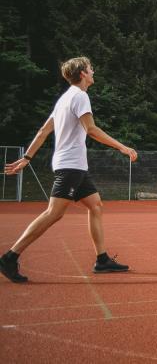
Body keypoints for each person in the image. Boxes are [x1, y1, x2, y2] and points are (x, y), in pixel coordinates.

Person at [0, 57, 138, 283]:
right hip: (70, 166)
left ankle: (102, 259)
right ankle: (10, 256)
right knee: (54, 213)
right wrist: (122, 147)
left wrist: (27, 157)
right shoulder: (80, 96)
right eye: (91, 68)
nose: (93, 71)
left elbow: (44, 131)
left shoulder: (64, 99)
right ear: (83, 73)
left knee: (95, 205)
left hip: (75, 167)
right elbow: (91, 129)